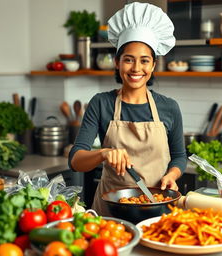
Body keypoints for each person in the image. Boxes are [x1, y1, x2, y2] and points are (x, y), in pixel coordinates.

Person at [69, 2, 187, 216]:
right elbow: (76, 160)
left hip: (158, 206)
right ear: (117, 62)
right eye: (128, 60)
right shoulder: (101, 103)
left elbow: (179, 155)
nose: (136, 68)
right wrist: (104, 153)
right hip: (110, 210)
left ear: (153, 65)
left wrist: (172, 175)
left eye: (144, 61)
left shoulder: (169, 107)